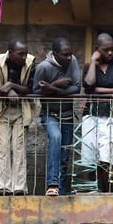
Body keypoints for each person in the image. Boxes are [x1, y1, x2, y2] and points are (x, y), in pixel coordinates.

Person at [33, 37, 81, 196]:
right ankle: (52, 183)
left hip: (67, 114)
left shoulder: (72, 61)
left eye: (70, 54)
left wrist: (52, 88)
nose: (68, 57)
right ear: (54, 54)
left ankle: (62, 188)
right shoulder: (44, 67)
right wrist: (59, 84)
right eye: (65, 55)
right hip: (50, 114)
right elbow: (36, 92)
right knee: (56, 137)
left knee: (65, 151)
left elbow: (76, 89)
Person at [0, 40, 37, 196]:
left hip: (22, 110)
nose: (24, 56)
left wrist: (12, 86)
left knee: (19, 149)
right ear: (10, 52)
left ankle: (19, 187)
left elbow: (30, 89)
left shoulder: (30, 62)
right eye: (20, 53)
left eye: (25, 53)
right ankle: (2, 186)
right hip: (3, 110)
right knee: (3, 148)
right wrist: (6, 91)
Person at [82, 33, 113, 193]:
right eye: (106, 50)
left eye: (112, 50)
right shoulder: (90, 66)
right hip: (91, 115)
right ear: (97, 50)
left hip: (111, 116)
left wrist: (99, 91)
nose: (110, 53)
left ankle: (107, 192)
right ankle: (93, 191)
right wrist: (93, 61)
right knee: (90, 156)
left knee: (107, 157)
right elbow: (88, 86)